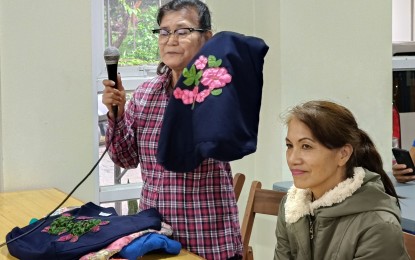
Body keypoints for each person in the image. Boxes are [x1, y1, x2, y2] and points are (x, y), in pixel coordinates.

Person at [101, 1, 242, 259]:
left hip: (208, 241)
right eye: (164, 32)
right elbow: (125, 159)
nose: (171, 40)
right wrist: (116, 114)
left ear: (207, 38)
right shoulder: (145, 94)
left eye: (182, 31)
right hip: (156, 238)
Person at [275, 100, 410, 260]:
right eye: (289, 145)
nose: (292, 159)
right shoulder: (292, 206)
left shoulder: (378, 225)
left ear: (343, 154)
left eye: (306, 146)